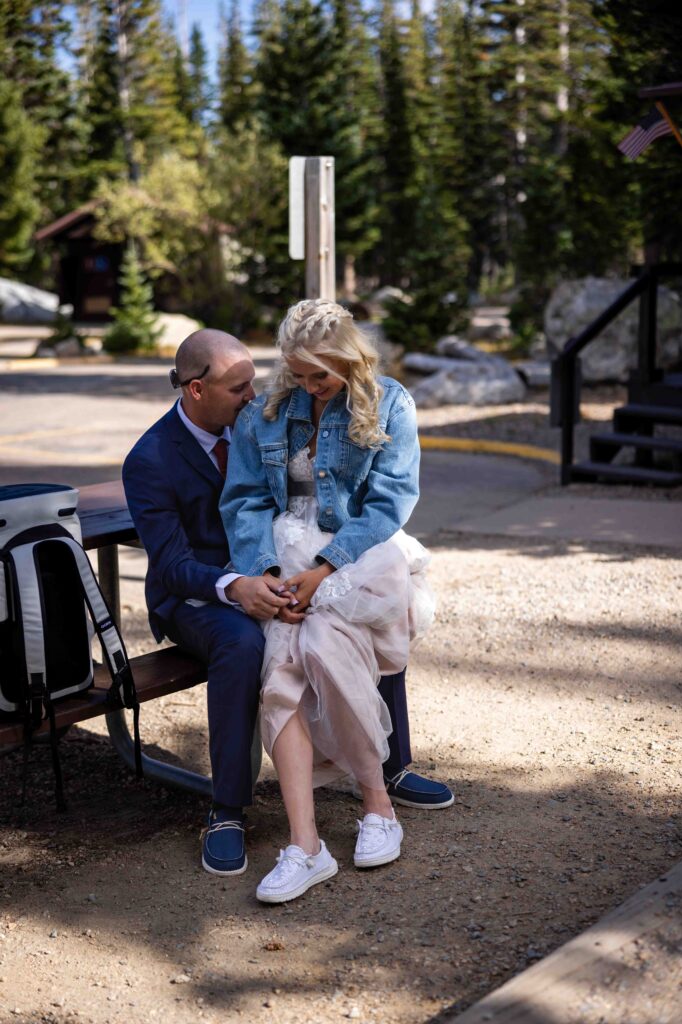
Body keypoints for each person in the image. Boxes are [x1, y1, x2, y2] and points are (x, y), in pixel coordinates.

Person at [123, 327, 451, 881]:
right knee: (243, 642)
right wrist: (239, 586)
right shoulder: (151, 459)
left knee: (364, 611)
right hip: (200, 594)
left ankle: (390, 772)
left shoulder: (265, 420)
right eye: (237, 387)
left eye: (254, 380)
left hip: (273, 571)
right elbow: (173, 565)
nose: (253, 395)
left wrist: (292, 574)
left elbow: (330, 499)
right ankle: (226, 811)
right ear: (196, 390)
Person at [221, 300, 445, 905]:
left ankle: (378, 803)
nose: (309, 386)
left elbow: (389, 503)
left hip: (359, 559)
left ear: (349, 358)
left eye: (320, 375)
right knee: (279, 678)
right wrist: (265, 575)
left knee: (322, 646)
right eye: (298, 374)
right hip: (281, 558)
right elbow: (243, 502)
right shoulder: (264, 414)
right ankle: (306, 845)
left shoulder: (390, 401)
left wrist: (324, 571)